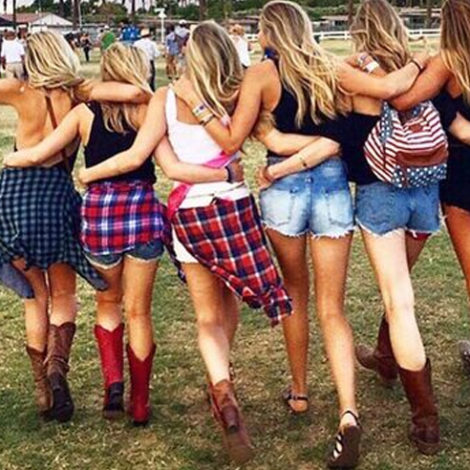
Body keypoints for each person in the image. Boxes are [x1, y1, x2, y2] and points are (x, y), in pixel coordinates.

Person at [171, 0, 430, 466]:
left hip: (284, 192)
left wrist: (259, 132)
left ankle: (300, 391)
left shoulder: (261, 75)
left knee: (294, 292)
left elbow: (233, 139)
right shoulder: (331, 67)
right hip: (332, 187)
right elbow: (379, 101)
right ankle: (348, 412)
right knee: (333, 308)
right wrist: (418, 62)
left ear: (270, 32)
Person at [76, 21, 292, 465]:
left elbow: (151, 161)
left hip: (190, 213)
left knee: (207, 316)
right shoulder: (237, 92)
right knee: (229, 301)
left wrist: (90, 173)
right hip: (233, 208)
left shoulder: (168, 97)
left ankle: (223, 392)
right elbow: (261, 138)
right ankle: (223, 380)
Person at [4, 43, 165, 426]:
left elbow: (32, 152)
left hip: (19, 197)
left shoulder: (23, 91)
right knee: (72, 297)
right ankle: (67, 372)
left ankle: (47, 387)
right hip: (65, 197)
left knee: (37, 297)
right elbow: (136, 93)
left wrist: (10, 157)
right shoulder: (80, 93)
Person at [356, 0, 470, 397]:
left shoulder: (448, 61)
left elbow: (401, 100)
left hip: (457, 179)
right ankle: (385, 353)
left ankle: (388, 358)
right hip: (446, 180)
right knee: (399, 283)